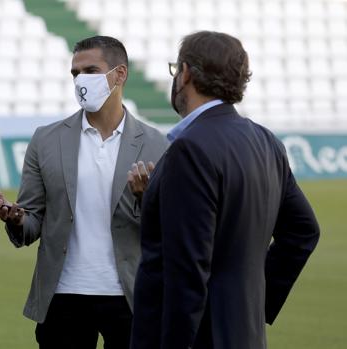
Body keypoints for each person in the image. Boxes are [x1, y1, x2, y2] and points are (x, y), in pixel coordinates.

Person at [130, 31, 320, 349]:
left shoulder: (189, 149)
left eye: (175, 70)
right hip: (244, 333)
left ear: (186, 72)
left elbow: (188, 271)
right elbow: (302, 232)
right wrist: (252, 304)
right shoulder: (267, 141)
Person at [0, 36, 169, 349]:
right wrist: (17, 219)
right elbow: (32, 222)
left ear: (120, 74)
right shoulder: (45, 140)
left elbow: (169, 232)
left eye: (90, 70)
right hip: (63, 297)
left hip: (130, 296)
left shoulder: (157, 144)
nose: (80, 80)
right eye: (75, 73)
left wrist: (146, 198)